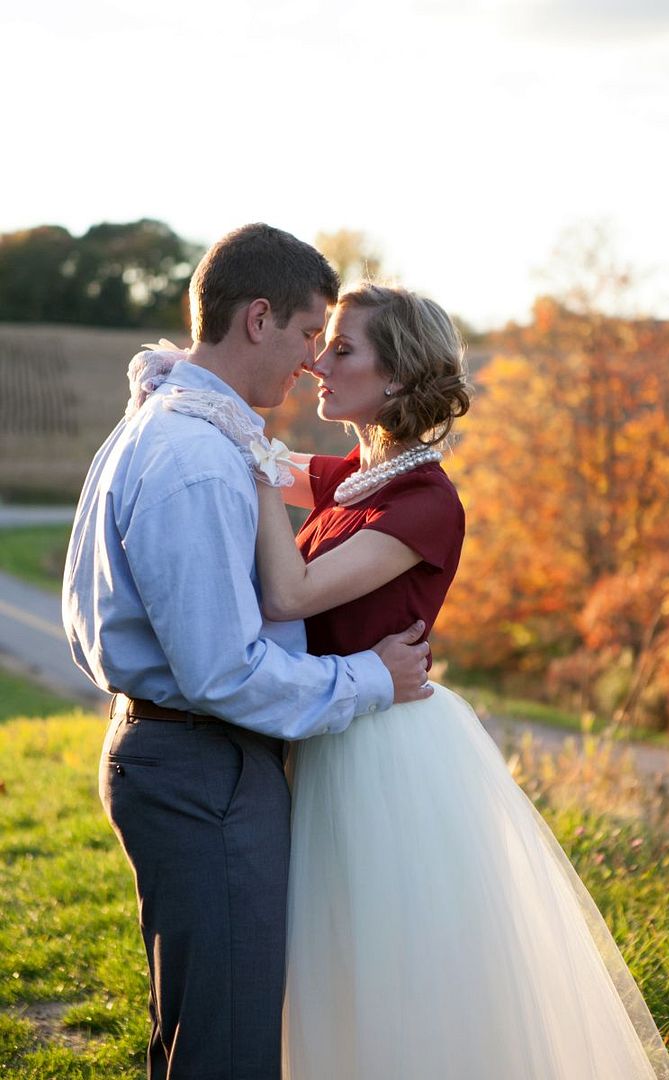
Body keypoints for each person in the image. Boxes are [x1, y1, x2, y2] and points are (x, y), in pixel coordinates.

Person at [246, 284, 669, 1079]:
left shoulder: (425, 503)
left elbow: (290, 595)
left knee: (389, 958)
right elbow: (282, 470)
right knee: (330, 955)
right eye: (323, 344)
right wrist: (204, 408)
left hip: (382, 752)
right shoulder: (362, 476)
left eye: (343, 349)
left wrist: (245, 468)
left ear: (402, 378)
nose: (317, 362)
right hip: (333, 721)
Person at [61, 226, 432, 1080]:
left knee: (198, 1028)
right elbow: (223, 671)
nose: (313, 361)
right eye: (309, 335)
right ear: (257, 318)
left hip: (179, 755)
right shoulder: (193, 455)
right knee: (226, 1047)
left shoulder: (174, 426)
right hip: (205, 770)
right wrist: (371, 676)